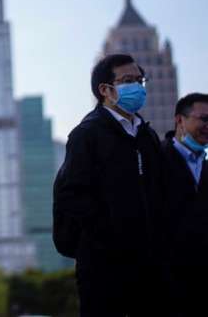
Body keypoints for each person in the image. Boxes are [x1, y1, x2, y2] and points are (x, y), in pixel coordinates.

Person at [53, 54, 168, 316]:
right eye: (128, 80)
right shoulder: (87, 134)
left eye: (140, 80)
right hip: (103, 263)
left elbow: (159, 191)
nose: (137, 87)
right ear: (105, 90)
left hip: (148, 262)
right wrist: (109, 235)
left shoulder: (146, 135)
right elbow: (72, 194)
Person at [160, 93, 208, 317]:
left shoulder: (206, 167)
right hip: (165, 284)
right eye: (204, 119)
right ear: (180, 120)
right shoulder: (155, 161)